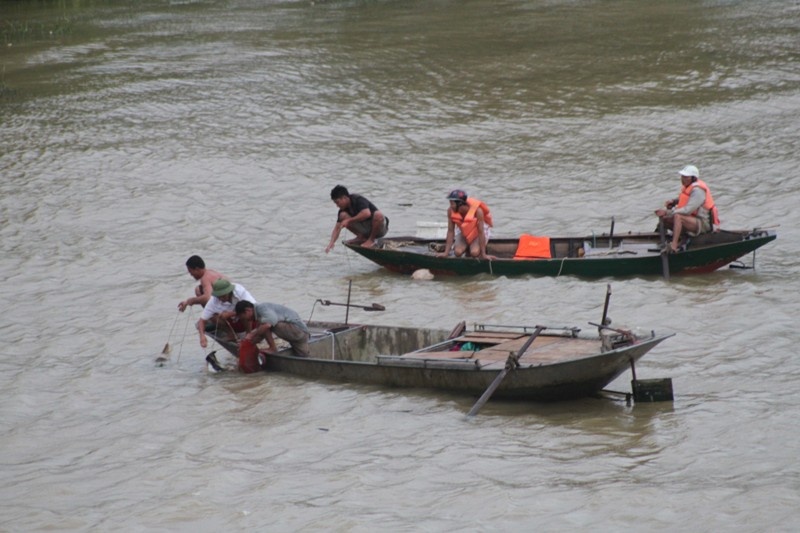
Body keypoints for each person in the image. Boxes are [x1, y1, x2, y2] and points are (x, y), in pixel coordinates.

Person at [654, 165, 721, 252]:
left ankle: (673, 246)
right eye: (682, 176)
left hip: (703, 223)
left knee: (678, 217)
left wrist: (667, 212)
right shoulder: (689, 187)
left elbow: (687, 210)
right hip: (692, 220)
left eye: (686, 177)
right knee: (665, 219)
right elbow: (686, 199)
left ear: (693, 178)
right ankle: (666, 239)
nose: (682, 179)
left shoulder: (698, 191)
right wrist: (674, 202)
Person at [234, 300, 310, 357]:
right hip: (301, 336)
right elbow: (259, 335)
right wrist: (245, 343)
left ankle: (272, 348)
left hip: (298, 330)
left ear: (248, 311)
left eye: (242, 317)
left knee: (266, 325)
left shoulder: (261, 308)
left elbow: (268, 324)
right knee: (304, 356)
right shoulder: (259, 316)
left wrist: (251, 334)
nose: (244, 320)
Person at [325, 185, 388, 252]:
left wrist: (349, 220)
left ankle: (371, 240)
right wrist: (331, 243)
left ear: (344, 198)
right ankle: (361, 237)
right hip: (365, 229)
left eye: (337, 202)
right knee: (343, 216)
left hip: (379, 229)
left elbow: (366, 213)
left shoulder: (358, 199)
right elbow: (337, 228)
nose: (337, 205)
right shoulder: (342, 210)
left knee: (378, 215)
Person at [197, 279, 257, 348]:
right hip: (233, 324)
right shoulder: (213, 301)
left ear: (229, 292)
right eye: (219, 296)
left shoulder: (239, 291)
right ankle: (231, 334)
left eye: (223, 296)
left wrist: (231, 314)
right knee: (213, 317)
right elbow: (202, 320)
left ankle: (248, 334)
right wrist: (202, 336)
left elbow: (253, 307)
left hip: (250, 322)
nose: (221, 298)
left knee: (245, 311)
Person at [437, 189, 496, 259]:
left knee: (474, 252)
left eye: (452, 203)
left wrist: (484, 255)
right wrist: (446, 253)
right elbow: (450, 231)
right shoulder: (450, 211)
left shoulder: (478, 211)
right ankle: (464, 247)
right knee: (457, 252)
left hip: (478, 233)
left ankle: (473, 248)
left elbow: (481, 232)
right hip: (464, 232)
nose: (450, 206)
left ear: (460, 204)